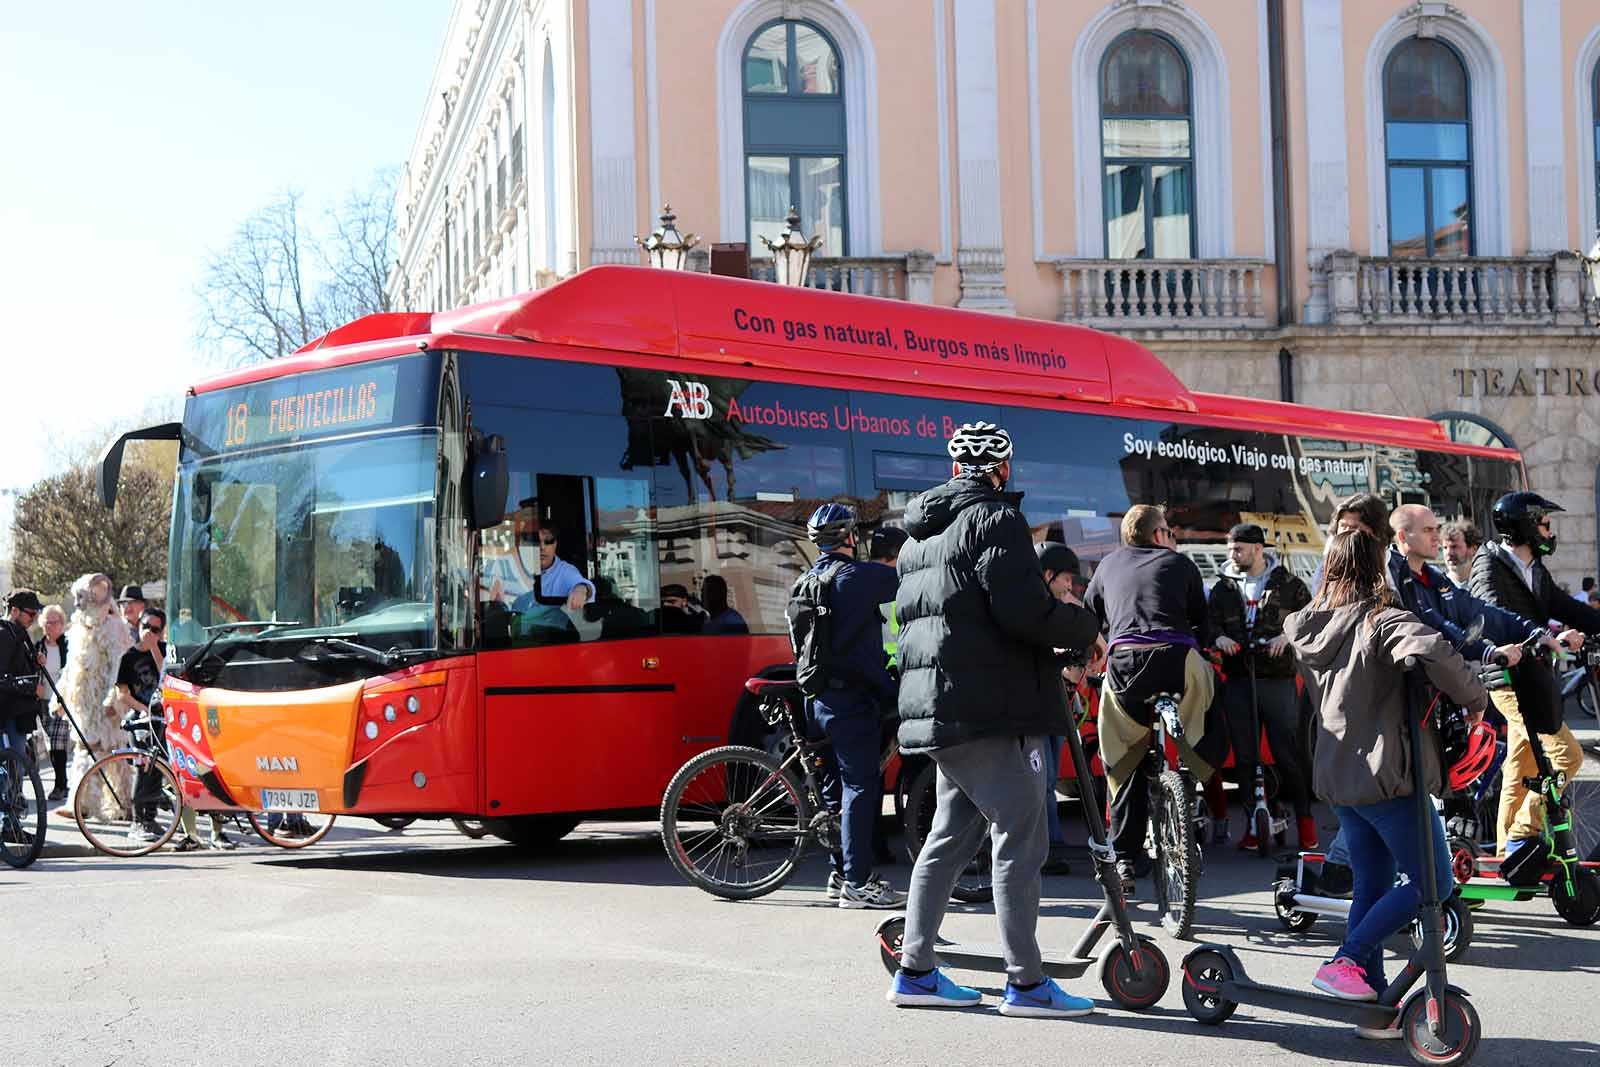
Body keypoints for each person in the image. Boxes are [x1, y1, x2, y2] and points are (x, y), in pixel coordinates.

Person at [890, 421, 1101, 1017]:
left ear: (955, 468)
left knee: (949, 839)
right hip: (990, 709)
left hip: (939, 707)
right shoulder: (996, 519)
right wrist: (1081, 625)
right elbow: (1021, 612)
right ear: (1003, 469)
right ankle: (1027, 984)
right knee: (1021, 839)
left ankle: (917, 971)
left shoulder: (916, 537)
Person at [1285, 529, 1485, 1029]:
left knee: (1371, 887)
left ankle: (1370, 1000)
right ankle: (1346, 961)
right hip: (1386, 774)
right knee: (1435, 880)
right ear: (1380, 568)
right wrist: (1476, 701)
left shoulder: (1309, 625)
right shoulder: (1382, 620)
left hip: (1340, 775)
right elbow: (1435, 652)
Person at [1084, 504, 1216, 895]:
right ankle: (1194, 774)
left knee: (1122, 755)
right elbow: (1201, 620)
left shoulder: (1106, 566)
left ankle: (1123, 859)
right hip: (1178, 658)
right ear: (1159, 535)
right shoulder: (1179, 564)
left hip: (1126, 663)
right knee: (1209, 694)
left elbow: (1094, 619)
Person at [1467, 492, 1600, 859]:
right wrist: (1545, 638)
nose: (1549, 530)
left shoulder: (1534, 568)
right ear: (1525, 526)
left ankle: (1504, 851)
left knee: (1521, 764)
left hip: (1534, 677)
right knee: (1567, 755)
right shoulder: (1489, 566)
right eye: (1544, 523)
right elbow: (1491, 616)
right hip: (1508, 680)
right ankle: (1525, 834)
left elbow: (1565, 605)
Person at [793, 503, 901, 908]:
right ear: (852, 538)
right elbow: (914, 580)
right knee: (860, 785)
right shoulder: (860, 575)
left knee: (835, 791)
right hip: (852, 700)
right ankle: (858, 882)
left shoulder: (804, 581)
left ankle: (839, 873)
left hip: (816, 701)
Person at [1207, 523, 1316, 851]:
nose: (1232, 555)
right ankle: (1256, 823)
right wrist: (1219, 638)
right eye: (1229, 549)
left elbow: (1308, 621)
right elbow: (1209, 624)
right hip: (1239, 680)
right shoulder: (1223, 588)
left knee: (1287, 754)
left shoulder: (1289, 584)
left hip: (1278, 681)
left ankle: (1305, 822)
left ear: (1257, 549)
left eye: (1238, 549)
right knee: (1245, 758)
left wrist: (1287, 637)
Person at [1035, 541, 1096, 877]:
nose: (1070, 586)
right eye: (1066, 580)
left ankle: (1052, 843)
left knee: (1049, 779)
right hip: (1039, 708)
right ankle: (1048, 849)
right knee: (1042, 781)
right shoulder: (1037, 610)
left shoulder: (1057, 607)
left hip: (1057, 709)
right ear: (1048, 575)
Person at [57, 574, 134, 823]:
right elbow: (70, 665)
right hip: (84, 701)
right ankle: (81, 803)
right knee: (86, 747)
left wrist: (114, 699)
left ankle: (121, 804)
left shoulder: (114, 627)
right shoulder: (78, 628)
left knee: (113, 753)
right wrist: (60, 695)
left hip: (107, 699)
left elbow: (118, 664)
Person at [0, 590, 45, 761]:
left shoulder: (18, 632)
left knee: (17, 766)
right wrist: (32, 687)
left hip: (18, 711)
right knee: (12, 766)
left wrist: (35, 661)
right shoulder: (3, 634)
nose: (33, 618)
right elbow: (2, 678)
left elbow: (18, 668)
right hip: (7, 712)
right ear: (14, 611)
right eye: (31, 613)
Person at [512, 523, 594, 613]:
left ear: (555, 544)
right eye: (536, 541)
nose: (542, 547)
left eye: (548, 541)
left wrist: (581, 589)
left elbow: (582, 584)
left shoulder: (565, 571)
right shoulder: (512, 568)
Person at [38, 604, 71, 800]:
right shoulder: (38, 647)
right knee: (51, 744)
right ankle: (61, 784)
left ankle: (61, 785)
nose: (50, 626)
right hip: (43, 701)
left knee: (59, 742)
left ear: (62, 624)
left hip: (62, 701)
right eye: (47, 622)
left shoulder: (68, 645)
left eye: (55, 622)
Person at [1440, 519, 1482, 587]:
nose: (1448, 553)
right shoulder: (1437, 588)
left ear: (1473, 549)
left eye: (1454, 547)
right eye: (1445, 547)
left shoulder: (1484, 584)